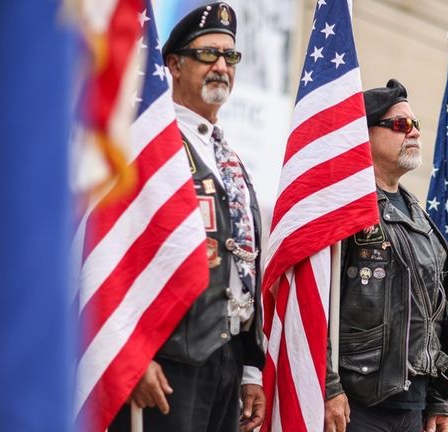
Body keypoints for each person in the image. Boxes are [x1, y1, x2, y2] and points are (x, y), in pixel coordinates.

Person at [110, 3, 265, 431]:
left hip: (227, 359)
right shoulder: (146, 144)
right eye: (207, 54)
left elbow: (245, 262)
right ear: (174, 65)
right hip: (167, 361)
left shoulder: (229, 158)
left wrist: (251, 367)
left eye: (230, 56)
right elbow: (110, 249)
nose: (221, 66)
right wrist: (130, 354)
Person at [324, 79, 448, 432]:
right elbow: (316, 303)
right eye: (400, 125)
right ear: (365, 135)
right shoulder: (347, 209)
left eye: (415, 124)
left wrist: (438, 400)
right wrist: (328, 387)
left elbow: (437, 316)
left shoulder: (421, 218)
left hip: (413, 405)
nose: (413, 133)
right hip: (358, 403)